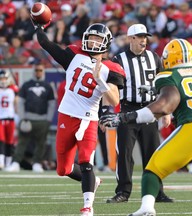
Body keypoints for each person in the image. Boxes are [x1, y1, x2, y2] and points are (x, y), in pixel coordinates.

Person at [100, 38, 192, 216]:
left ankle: (146, 208)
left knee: (152, 170)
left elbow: (165, 106)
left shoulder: (169, 74)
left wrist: (125, 117)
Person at [29, 18, 125, 216]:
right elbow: (47, 44)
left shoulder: (110, 68)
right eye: (90, 38)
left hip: (87, 119)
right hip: (66, 116)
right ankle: (93, 181)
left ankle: (88, 207)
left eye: (97, 39)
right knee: (62, 169)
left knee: (85, 161)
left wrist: (101, 81)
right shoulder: (74, 55)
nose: (92, 42)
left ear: (106, 42)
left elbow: (114, 100)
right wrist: (39, 27)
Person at [105, 23, 173, 203]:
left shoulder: (154, 57)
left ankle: (157, 191)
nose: (144, 40)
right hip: (128, 109)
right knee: (125, 153)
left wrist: (165, 111)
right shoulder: (119, 59)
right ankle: (123, 192)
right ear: (131, 39)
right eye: (140, 37)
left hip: (150, 109)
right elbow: (111, 87)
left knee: (153, 153)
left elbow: (164, 83)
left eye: (145, 37)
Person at [5, 63, 55, 173]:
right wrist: (22, 117)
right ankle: (16, 162)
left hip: (42, 119)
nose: (38, 72)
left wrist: (48, 119)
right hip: (28, 118)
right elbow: (21, 102)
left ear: (43, 72)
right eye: (36, 70)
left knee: (41, 143)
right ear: (33, 71)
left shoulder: (47, 86)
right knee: (22, 141)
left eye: (40, 70)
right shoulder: (27, 85)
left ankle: (37, 163)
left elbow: (51, 103)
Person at [0, 69, 18, 169]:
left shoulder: (13, 89)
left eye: (4, 78)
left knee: (10, 141)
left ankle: (8, 163)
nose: (3, 80)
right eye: (1, 78)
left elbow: (16, 103)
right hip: (0, 119)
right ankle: (1, 162)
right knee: (1, 140)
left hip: (10, 118)